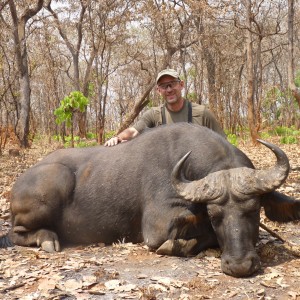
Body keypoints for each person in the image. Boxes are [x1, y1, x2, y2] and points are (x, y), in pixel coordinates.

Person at [104, 69, 226, 146]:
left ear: (181, 85)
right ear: (158, 90)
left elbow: (224, 144)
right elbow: (134, 131)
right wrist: (118, 138)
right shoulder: (154, 115)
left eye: (172, 84)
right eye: (163, 86)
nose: (169, 90)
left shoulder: (202, 113)